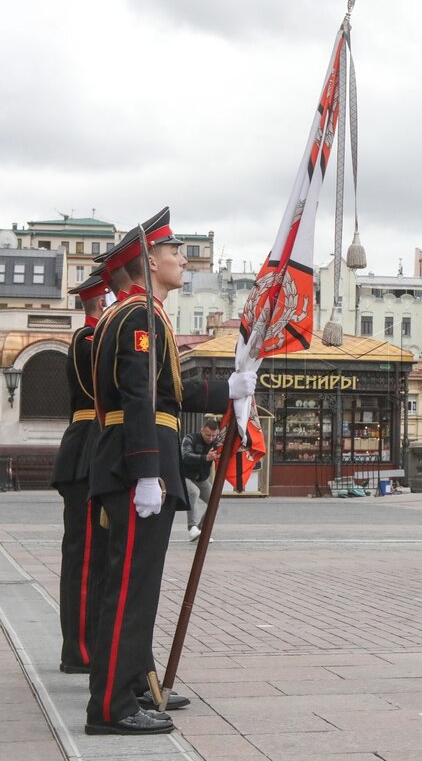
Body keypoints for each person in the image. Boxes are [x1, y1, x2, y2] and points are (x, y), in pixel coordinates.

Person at [86, 211, 254, 735]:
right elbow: (139, 397)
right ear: (149, 261)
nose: (182, 259)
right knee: (130, 589)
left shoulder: (142, 313)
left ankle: (133, 683)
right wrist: (145, 472)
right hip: (138, 460)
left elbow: (167, 394)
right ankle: (111, 706)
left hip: (138, 456)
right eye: (174, 251)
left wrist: (228, 390)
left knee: (137, 585)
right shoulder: (139, 316)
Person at [51, 274, 108, 675]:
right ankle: (80, 651)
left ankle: (85, 644)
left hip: (91, 445)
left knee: (92, 557)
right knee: (85, 558)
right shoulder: (89, 340)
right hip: (88, 447)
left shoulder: (93, 337)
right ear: (102, 305)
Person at [180, 417, 220, 541]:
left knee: (215, 501)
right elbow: (185, 456)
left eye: (213, 435)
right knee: (193, 492)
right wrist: (205, 457)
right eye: (208, 435)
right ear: (201, 430)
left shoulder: (216, 443)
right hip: (184, 475)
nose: (211, 438)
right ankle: (192, 527)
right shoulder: (190, 439)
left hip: (201, 478)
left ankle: (202, 530)